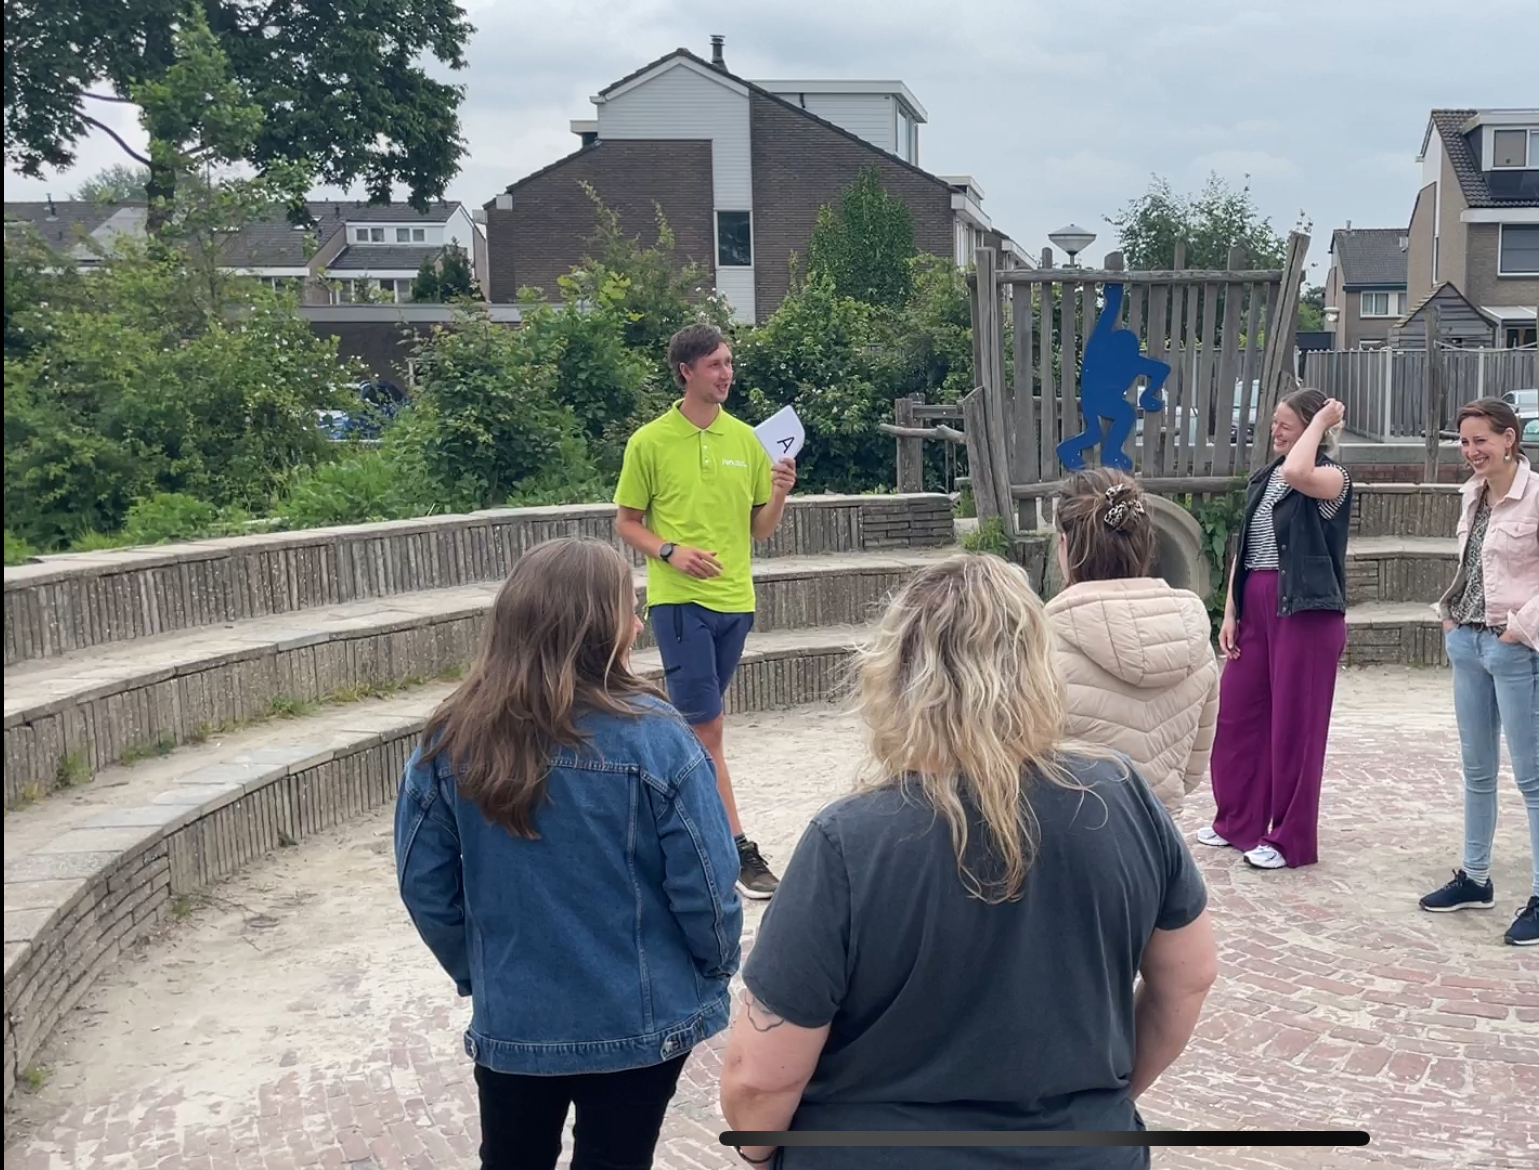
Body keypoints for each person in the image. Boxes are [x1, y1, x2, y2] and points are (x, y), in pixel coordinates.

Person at [718, 554, 1218, 1169]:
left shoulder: (848, 841)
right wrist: (1097, 1105)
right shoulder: (1121, 796)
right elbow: (1188, 978)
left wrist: (763, 1155)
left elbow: (759, 1082)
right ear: (1039, 666)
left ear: (896, 674)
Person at [394, 537, 743, 1170]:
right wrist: (713, 970)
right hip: (640, 1017)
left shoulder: (448, 738)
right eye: (627, 609)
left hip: (516, 1017)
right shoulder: (660, 739)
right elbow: (709, 888)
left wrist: (482, 970)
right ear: (593, 627)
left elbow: (425, 886)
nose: (639, 623)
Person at [614, 323, 797, 900]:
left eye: (729, 362)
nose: (727, 373)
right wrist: (671, 551)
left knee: (697, 730)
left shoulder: (748, 440)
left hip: (735, 603)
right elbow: (626, 523)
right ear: (686, 372)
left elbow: (758, 530)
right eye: (715, 364)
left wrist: (781, 492)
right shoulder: (648, 441)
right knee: (708, 727)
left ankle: (662, 824)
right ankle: (736, 850)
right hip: (678, 602)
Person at [1420, 397, 1539, 947]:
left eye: (1480, 440)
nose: (1470, 452)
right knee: (1476, 769)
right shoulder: (1473, 493)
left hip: (1519, 650)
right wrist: (1449, 619)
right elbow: (1469, 566)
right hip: (1467, 643)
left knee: (1533, 776)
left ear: (1510, 438)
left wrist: (1519, 628)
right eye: (1463, 442)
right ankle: (1475, 877)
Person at [1197, 388, 1353, 871]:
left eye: (1286, 422)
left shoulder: (1330, 477)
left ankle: (1290, 839)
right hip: (1258, 602)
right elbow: (1246, 546)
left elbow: (1297, 472)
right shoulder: (1265, 477)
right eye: (1274, 422)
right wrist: (1231, 609)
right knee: (1237, 715)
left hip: (1305, 611)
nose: (1275, 429)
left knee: (1295, 726)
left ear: (1312, 428)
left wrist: (1322, 421)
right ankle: (1237, 819)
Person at [1046, 468, 1220, 817]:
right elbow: (1192, 771)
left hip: (1073, 835)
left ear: (1065, 543)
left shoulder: (1041, 639)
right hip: (1158, 838)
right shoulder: (1195, 634)